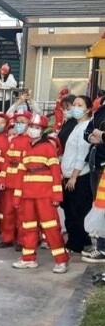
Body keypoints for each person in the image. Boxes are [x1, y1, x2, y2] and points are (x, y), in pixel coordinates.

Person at [11, 114, 69, 273]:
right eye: (32, 127)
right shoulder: (26, 148)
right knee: (27, 227)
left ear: (42, 131)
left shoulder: (48, 147)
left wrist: (57, 196)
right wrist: (17, 196)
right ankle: (28, 259)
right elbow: (20, 174)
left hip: (45, 195)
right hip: (28, 195)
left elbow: (56, 172)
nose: (33, 130)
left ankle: (61, 260)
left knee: (50, 227)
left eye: (37, 128)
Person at [61, 96, 93, 253]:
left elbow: (82, 155)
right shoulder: (77, 125)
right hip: (69, 175)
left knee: (76, 213)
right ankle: (82, 239)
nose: (75, 107)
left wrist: (73, 176)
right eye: (74, 105)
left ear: (88, 109)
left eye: (79, 105)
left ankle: (75, 244)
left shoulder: (86, 127)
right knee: (70, 210)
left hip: (79, 177)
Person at [0, 111, 31, 248]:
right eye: (17, 122)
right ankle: (7, 238)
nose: (19, 124)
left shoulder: (30, 141)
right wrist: (2, 180)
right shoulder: (13, 140)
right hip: (10, 182)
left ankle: (22, 241)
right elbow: (6, 161)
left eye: (22, 122)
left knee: (22, 214)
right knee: (7, 212)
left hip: (22, 182)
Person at [82, 97, 105, 262]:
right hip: (96, 162)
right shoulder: (101, 108)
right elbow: (88, 131)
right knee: (98, 206)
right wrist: (92, 137)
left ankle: (103, 249)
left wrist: (102, 136)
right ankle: (100, 246)